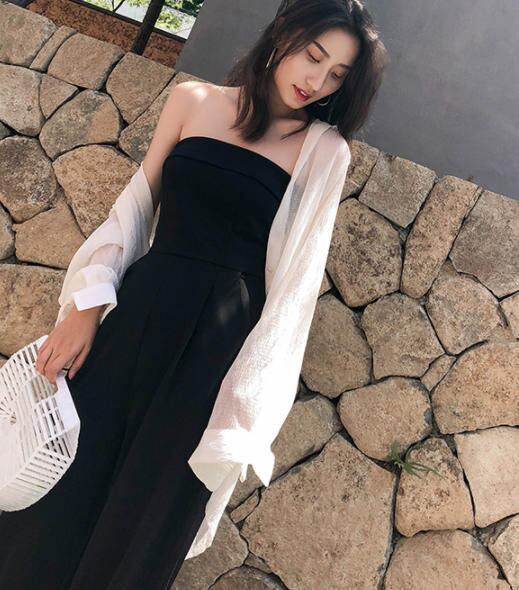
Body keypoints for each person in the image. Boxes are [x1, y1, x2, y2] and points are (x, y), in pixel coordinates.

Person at [0, 0, 387, 587]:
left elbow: (294, 292)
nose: (317, 81)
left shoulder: (324, 151)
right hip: (137, 318)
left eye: (337, 74)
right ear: (283, 32)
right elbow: (134, 212)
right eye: (314, 56)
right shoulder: (193, 101)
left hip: (215, 355)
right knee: (64, 487)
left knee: (145, 518)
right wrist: (84, 309)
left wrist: (242, 410)